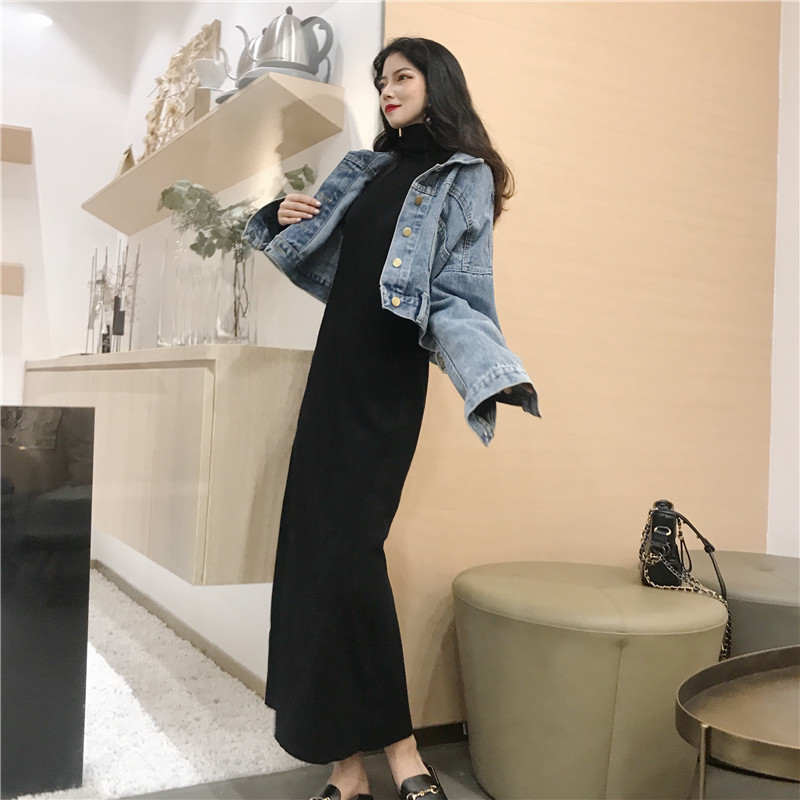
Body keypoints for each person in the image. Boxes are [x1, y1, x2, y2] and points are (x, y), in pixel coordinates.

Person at [243, 37, 539, 800]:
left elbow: (459, 292)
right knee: (315, 560)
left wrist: (489, 370)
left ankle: (402, 749)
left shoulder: (462, 176)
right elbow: (317, 254)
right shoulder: (367, 169)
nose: (388, 90)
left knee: (350, 555)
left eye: (403, 77)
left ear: (438, 84)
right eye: (382, 80)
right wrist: (276, 214)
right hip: (333, 367)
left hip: (385, 374)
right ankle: (348, 767)